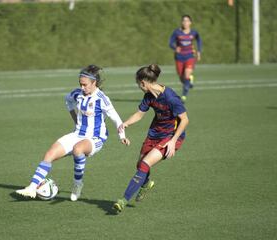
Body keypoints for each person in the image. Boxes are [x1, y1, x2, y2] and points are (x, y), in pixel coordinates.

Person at [16, 64, 130, 202]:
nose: (82, 87)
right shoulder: (77, 94)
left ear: (94, 83)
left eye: (85, 85)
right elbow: (68, 100)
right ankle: (32, 188)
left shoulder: (102, 99)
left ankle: (77, 184)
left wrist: (122, 136)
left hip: (95, 138)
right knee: (49, 155)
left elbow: (117, 119)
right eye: (80, 84)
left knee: (78, 149)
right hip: (77, 134)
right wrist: (75, 119)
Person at [113, 64, 189, 213]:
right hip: (154, 133)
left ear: (143, 83)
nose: (138, 87)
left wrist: (173, 142)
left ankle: (123, 200)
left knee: (145, 164)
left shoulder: (170, 97)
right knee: (140, 164)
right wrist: (126, 123)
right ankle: (146, 184)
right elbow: (140, 114)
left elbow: (185, 120)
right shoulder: (149, 96)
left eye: (138, 84)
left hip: (171, 136)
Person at [169, 15, 202, 102]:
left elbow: (199, 40)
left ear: (190, 23)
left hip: (189, 56)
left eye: (187, 21)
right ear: (181, 22)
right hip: (179, 58)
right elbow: (170, 43)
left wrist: (198, 52)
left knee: (186, 74)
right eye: (183, 21)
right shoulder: (177, 32)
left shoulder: (194, 32)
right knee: (182, 78)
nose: (185, 23)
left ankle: (184, 96)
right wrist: (175, 48)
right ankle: (189, 80)